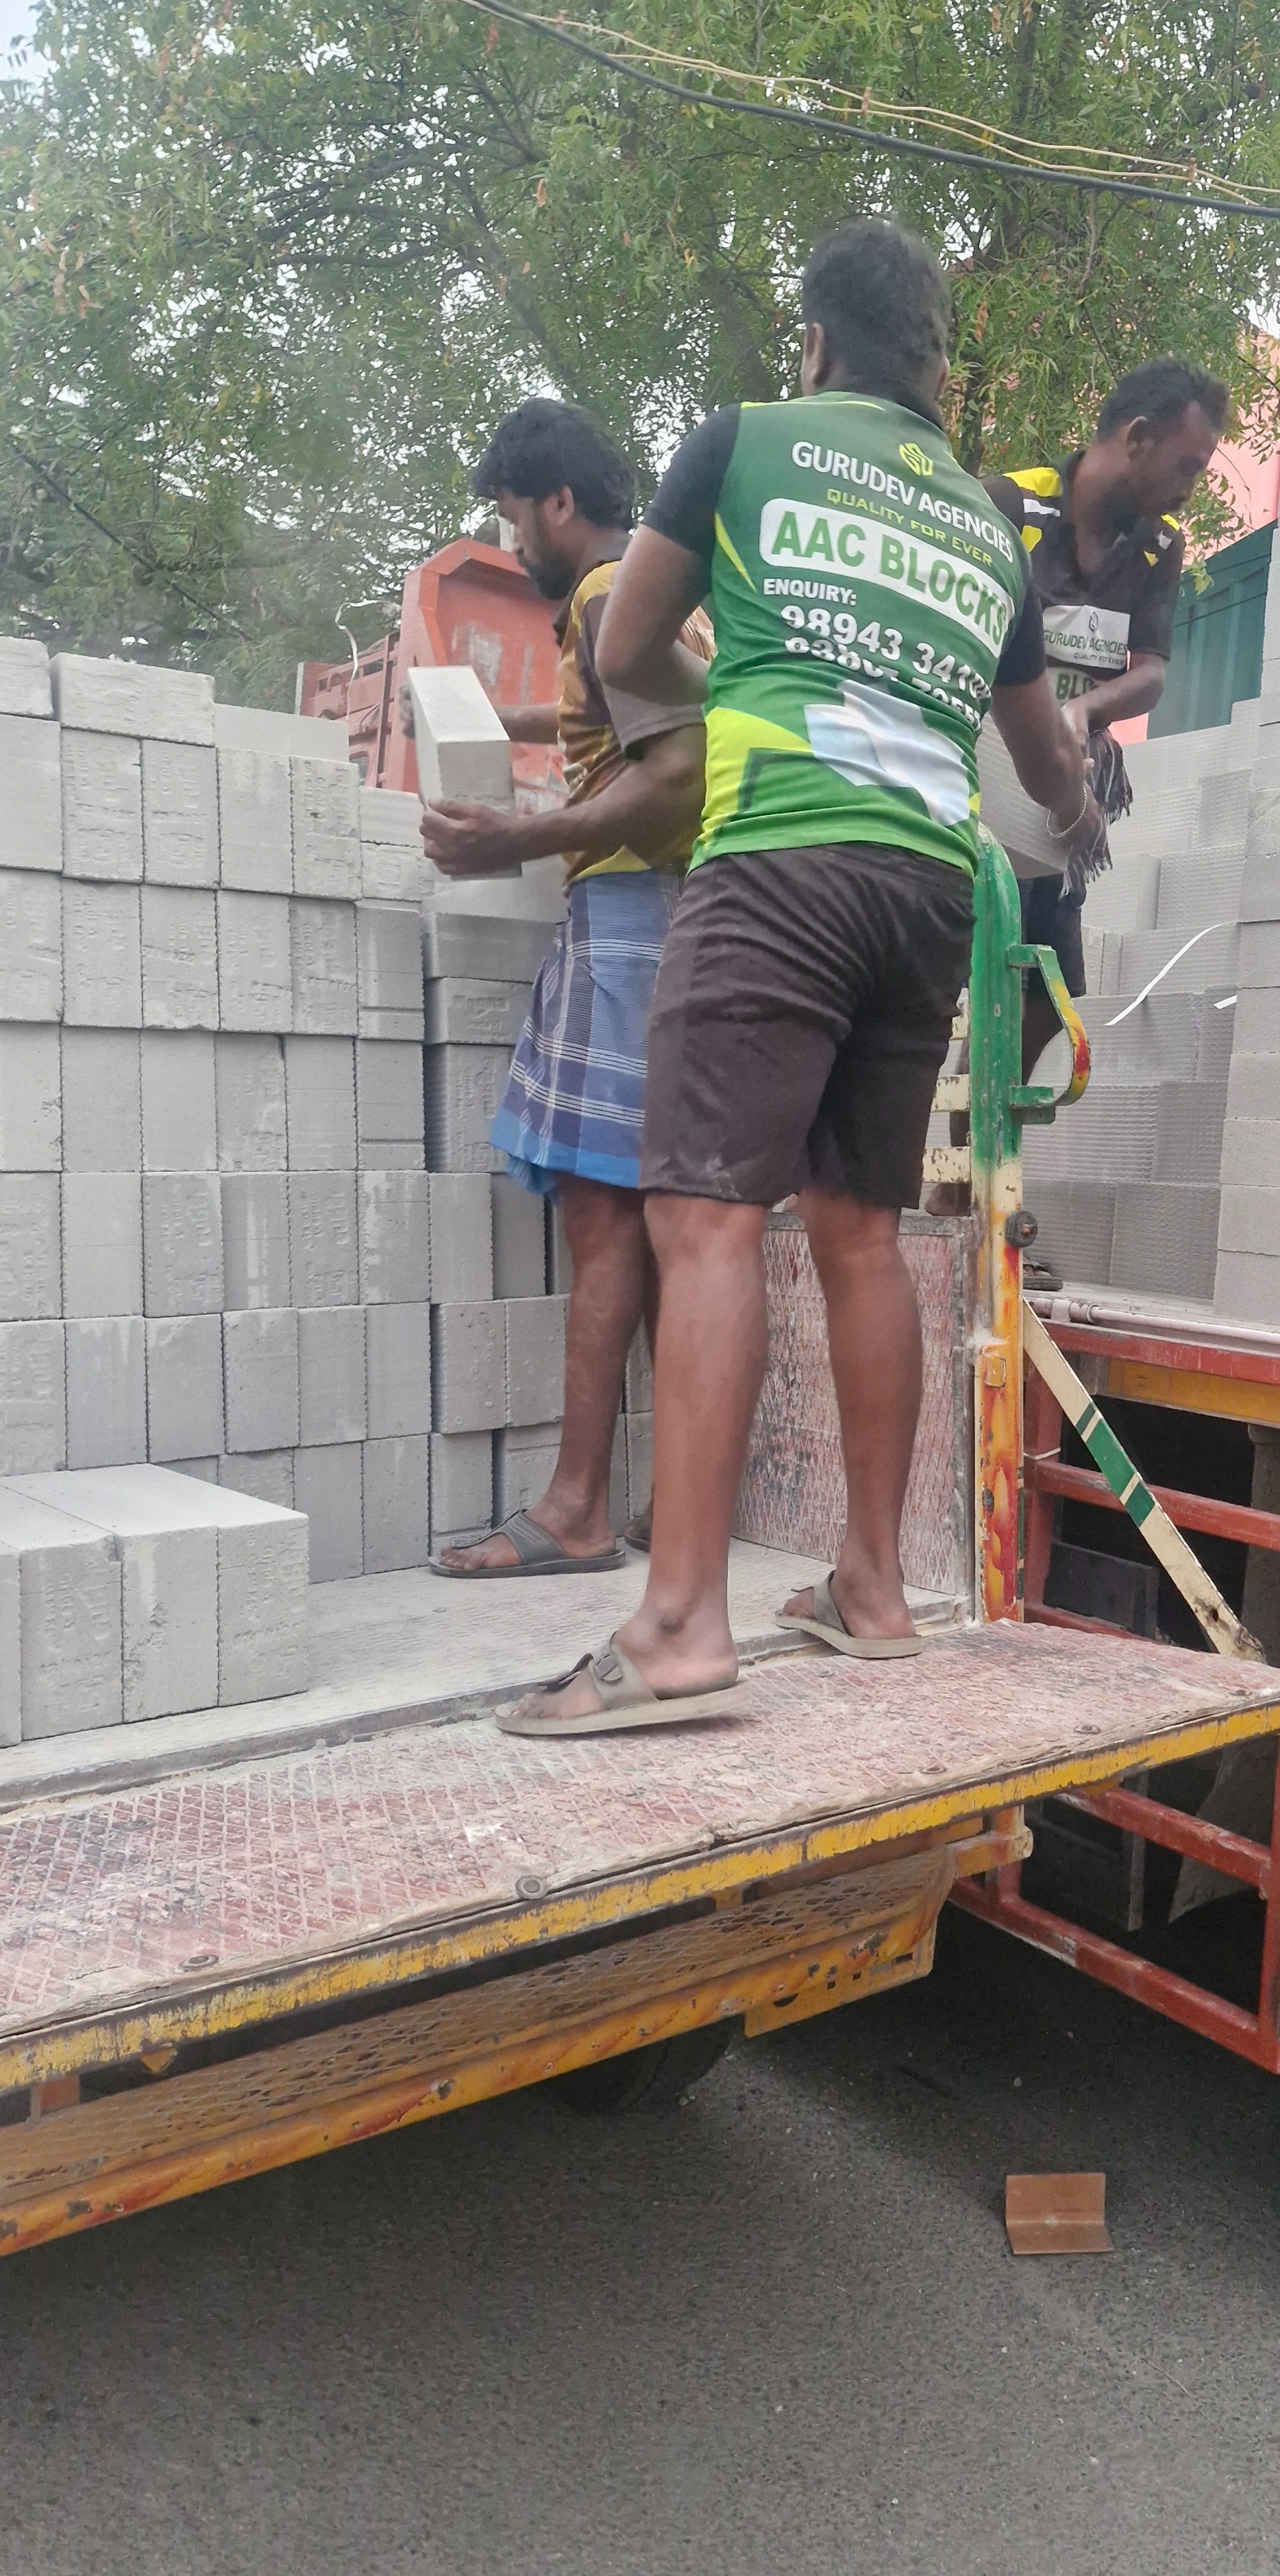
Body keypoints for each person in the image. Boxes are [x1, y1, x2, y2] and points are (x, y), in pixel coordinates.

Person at [497, 219, 1095, 1732]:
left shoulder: (747, 441)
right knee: (860, 1227)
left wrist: (759, 685)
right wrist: (1083, 811)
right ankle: (872, 1589)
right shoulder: (987, 529)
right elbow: (1045, 767)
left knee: (704, 1215)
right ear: (938, 368)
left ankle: (679, 1626)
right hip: (925, 890)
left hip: (778, 858)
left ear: (817, 341)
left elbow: (629, 650)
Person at [420, 397, 712, 1578]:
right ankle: (670, 1502)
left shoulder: (600, 592)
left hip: (631, 921)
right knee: (656, 1223)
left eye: (511, 514)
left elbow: (676, 771)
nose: (511, 540)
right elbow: (628, 708)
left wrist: (516, 839)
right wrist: (507, 718)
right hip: (671, 920)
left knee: (604, 1220)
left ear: (558, 501)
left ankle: (578, 1508)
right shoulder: (656, 596)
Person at [983, 358, 1228, 1079]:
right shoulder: (1008, 506)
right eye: (1185, 467)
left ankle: (982, 1134)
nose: (1188, 491)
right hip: (976, 778)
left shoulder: (1158, 546)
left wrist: (1083, 709)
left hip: (1061, 791)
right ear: (1138, 437)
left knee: (1046, 995)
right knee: (947, 971)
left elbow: (1149, 673)